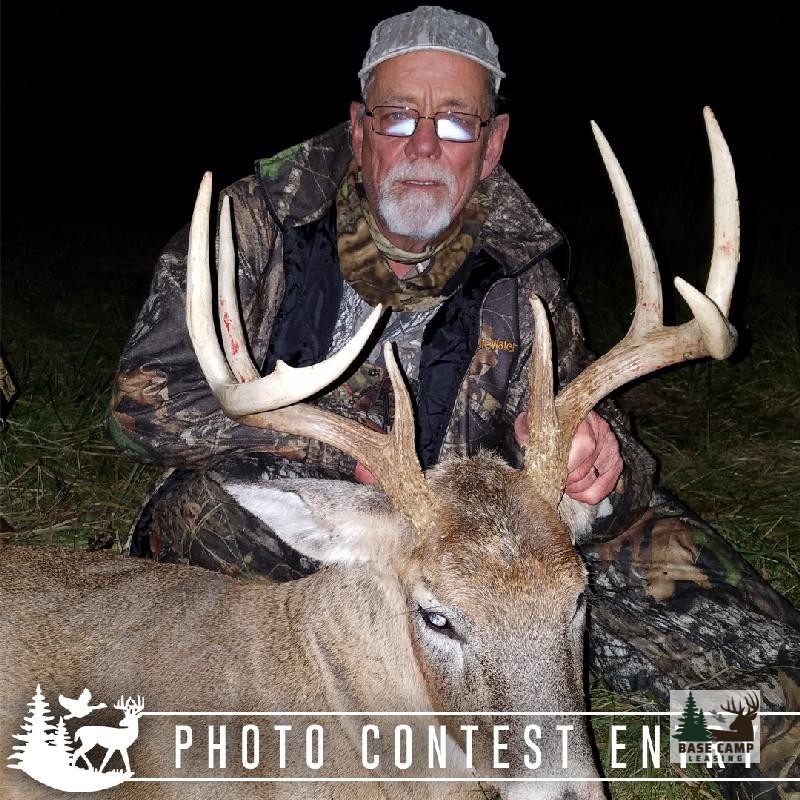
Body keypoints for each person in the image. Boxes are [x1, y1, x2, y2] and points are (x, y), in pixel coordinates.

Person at [110, 7, 799, 798]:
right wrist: (343, 457)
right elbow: (144, 404)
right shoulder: (255, 225)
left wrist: (599, 457)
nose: (425, 145)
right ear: (360, 129)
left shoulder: (521, 273)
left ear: (493, 143)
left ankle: (744, 750)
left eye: (456, 123)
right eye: (398, 116)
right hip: (344, 533)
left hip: (503, 553)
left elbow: (606, 448)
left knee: (706, 610)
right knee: (206, 510)